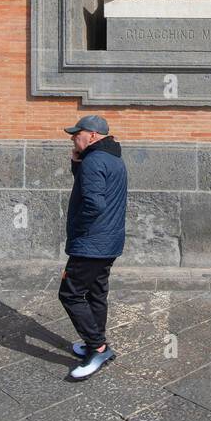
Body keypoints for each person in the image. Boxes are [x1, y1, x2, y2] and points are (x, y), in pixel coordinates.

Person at [58, 114, 127, 380]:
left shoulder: (93, 161)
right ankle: (94, 342)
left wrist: (80, 228)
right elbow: (97, 190)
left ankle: (98, 347)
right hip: (109, 242)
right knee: (96, 293)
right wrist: (77, 163)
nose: (73, 138)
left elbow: (94, 204)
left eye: (78, 134)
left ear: (94, 136)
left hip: (91, 243)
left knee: (70, 294)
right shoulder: (112, 159)